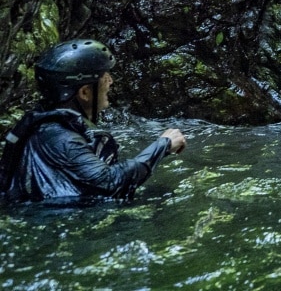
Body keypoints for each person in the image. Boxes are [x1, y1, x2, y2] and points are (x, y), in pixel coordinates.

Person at [0, 39, 187, 203]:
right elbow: (109, 183)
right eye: (104, 77)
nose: (111, 81)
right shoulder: (59, 137)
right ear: (84, 92)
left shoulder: (49, 126)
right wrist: (162, 145)